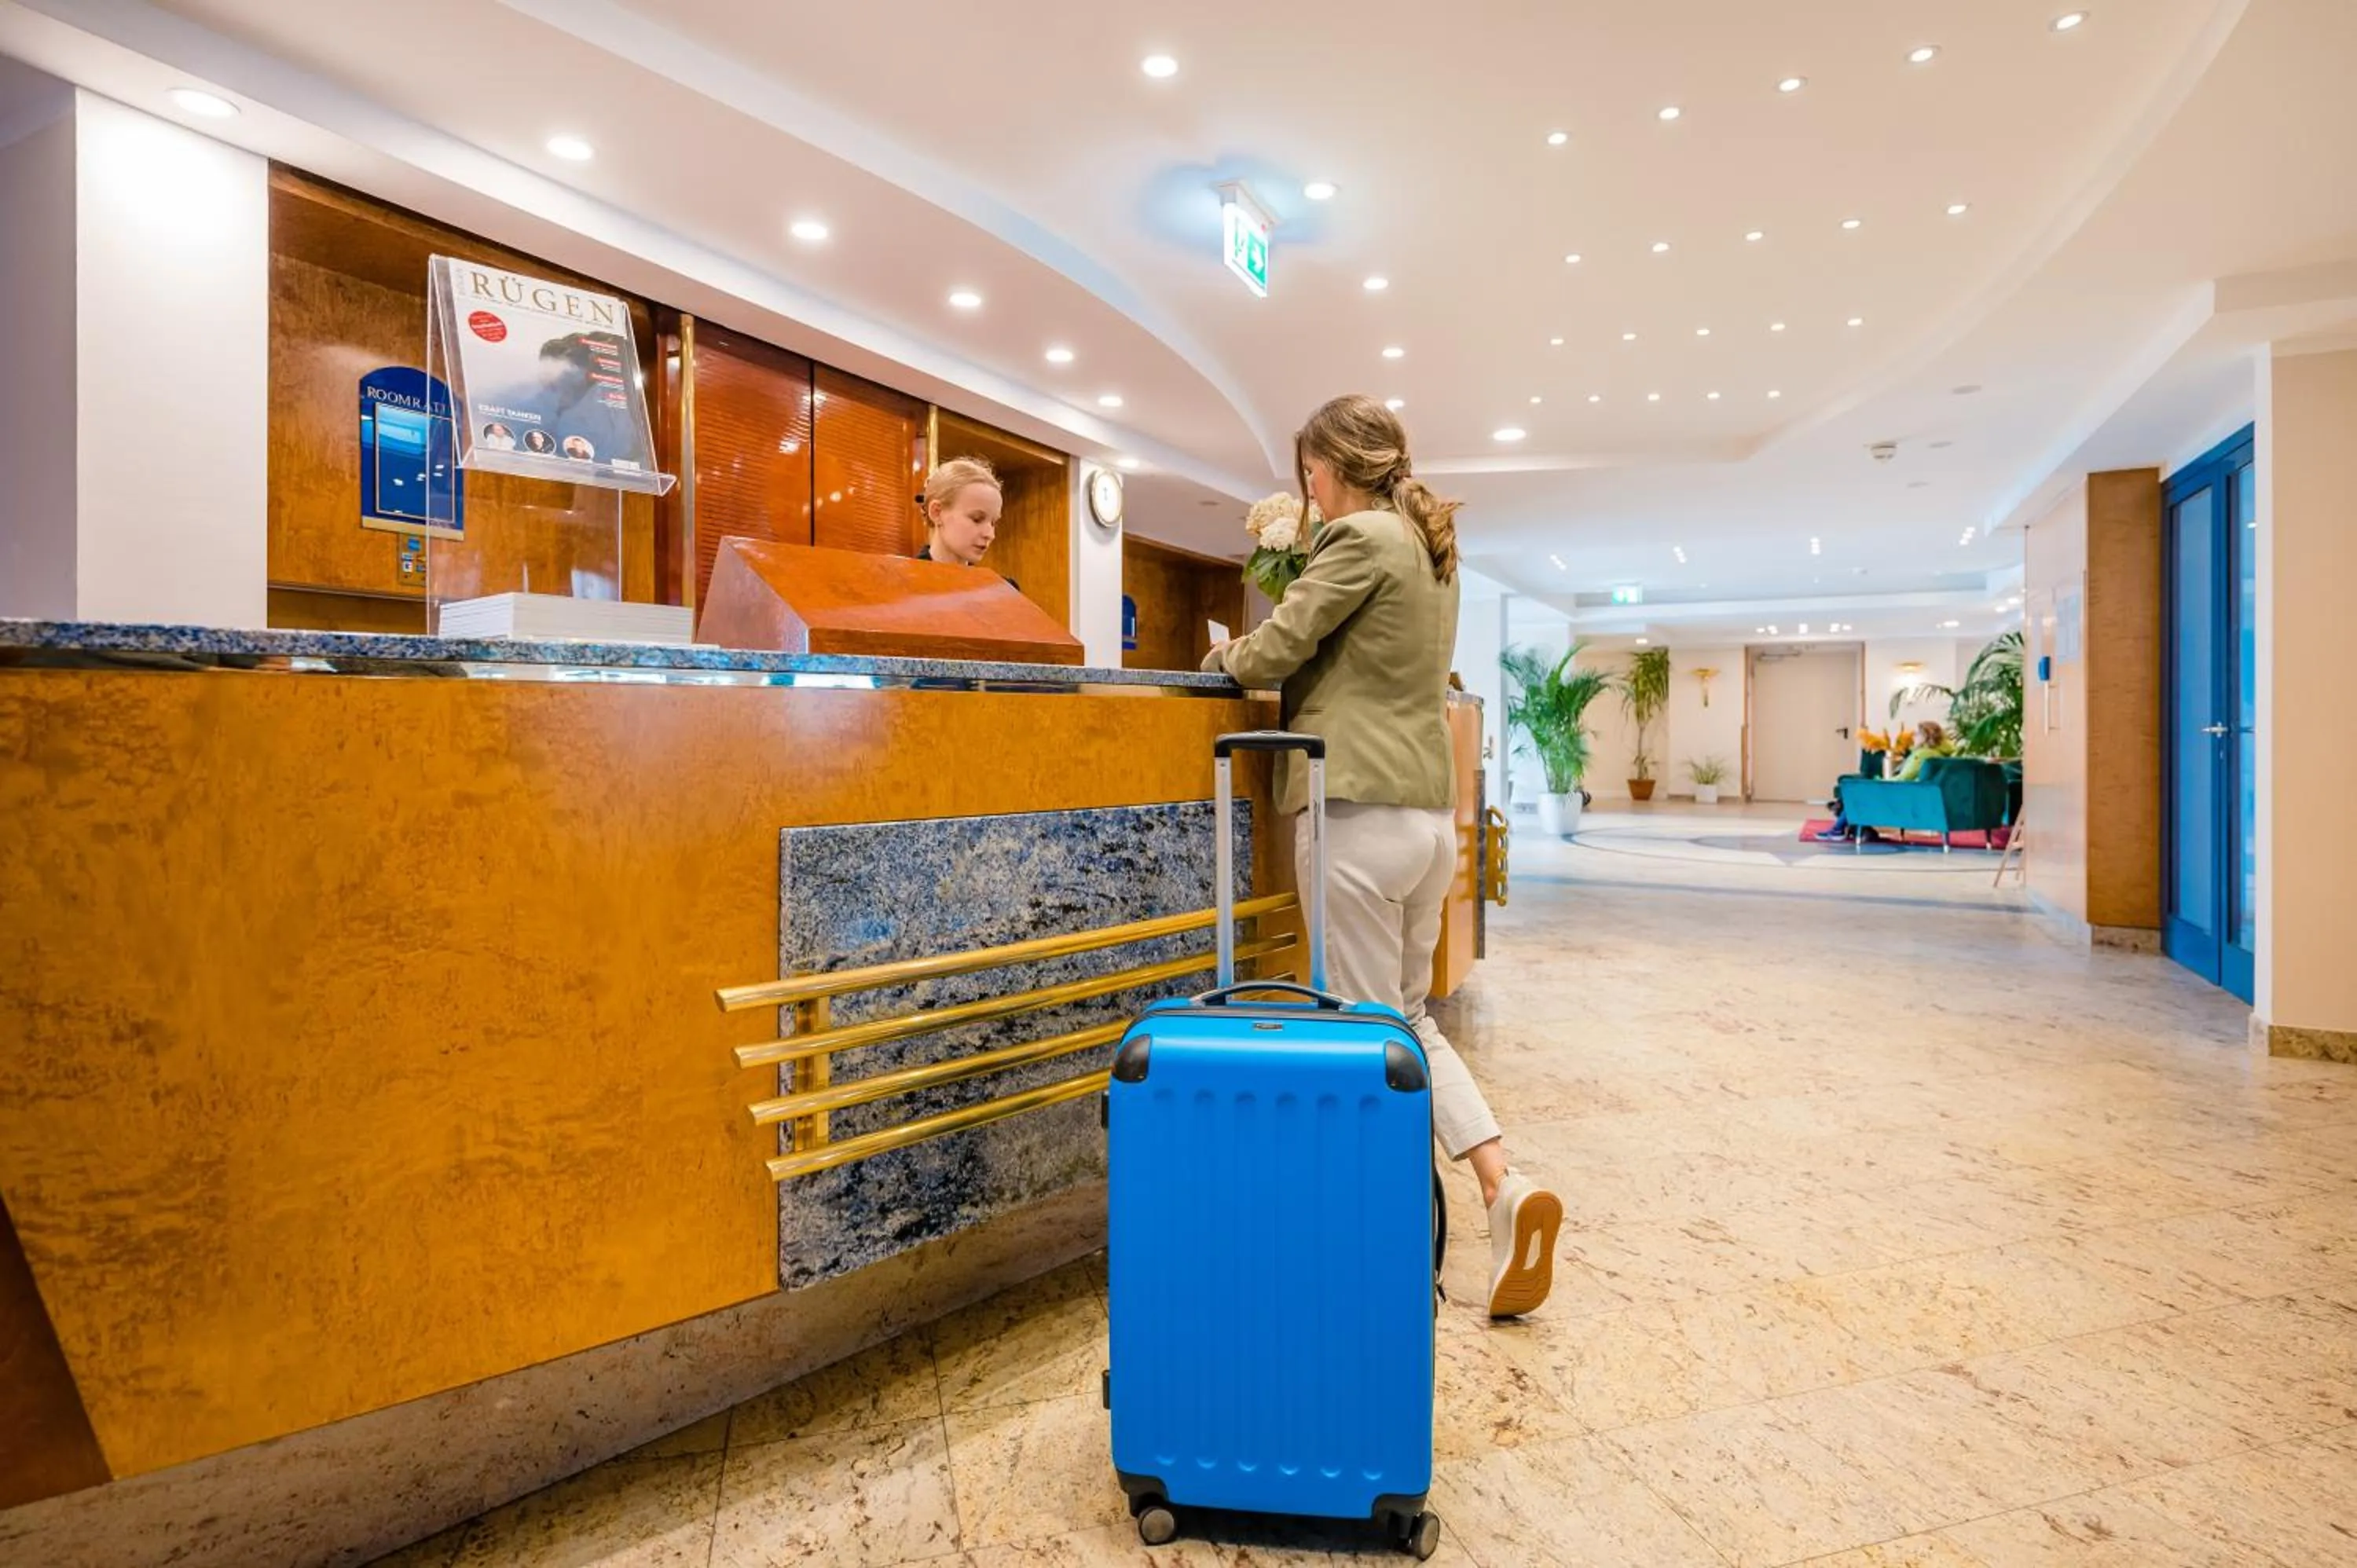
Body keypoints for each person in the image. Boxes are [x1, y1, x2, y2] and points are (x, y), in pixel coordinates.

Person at [1202, 394, 1562, 1319]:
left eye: (1310, 475)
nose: (1309, 491)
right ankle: (1499, 1186)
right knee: (1405, 1018)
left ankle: (1386, 1235)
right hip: (1426, 822)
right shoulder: (1432, 551)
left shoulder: (1359, 536)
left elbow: (1280, 648)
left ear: (1330, 468)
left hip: (1353, 811)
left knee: (1365, 1039)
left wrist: (1225, 657)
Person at [917, 457, 1002, 567]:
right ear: (937, 512)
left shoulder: (1002, 584)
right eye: (977, 519)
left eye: (993, 523)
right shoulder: (898, 580)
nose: (990, 535)